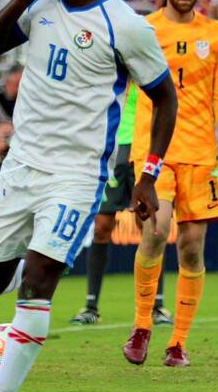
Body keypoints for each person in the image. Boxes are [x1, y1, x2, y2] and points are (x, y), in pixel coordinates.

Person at [0, 0, 177, 392]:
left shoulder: (125, 24)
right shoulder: (40, 2)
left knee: (38, 283)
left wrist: (148, 175)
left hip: (77, 175)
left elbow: (165, 98)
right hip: (20, 166)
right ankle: (27, 273)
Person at [122, 0, 218, 368]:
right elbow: (127, 88)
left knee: (192, 249)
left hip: (200, 154)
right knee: (156, 229)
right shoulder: (145, 29)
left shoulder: (217, 33)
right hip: (154, 149)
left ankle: (177, 343)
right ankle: (141, 327)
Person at [69, 82, 173, 326]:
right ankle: (91, 306)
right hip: (114, 147)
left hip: (143, 148)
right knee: (102, 225)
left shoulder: (150, 64)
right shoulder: (117, 63)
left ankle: (156, 306)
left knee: (149, 227)